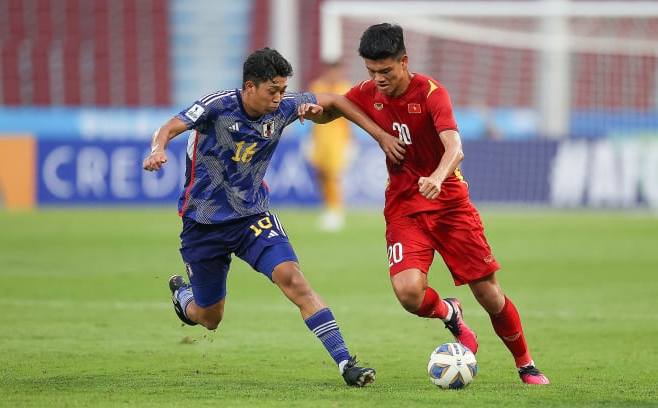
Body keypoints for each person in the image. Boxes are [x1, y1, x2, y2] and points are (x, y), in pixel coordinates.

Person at [316, 23, 550, 385]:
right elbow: (335, 105)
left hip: (450, 205)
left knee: (489, 294)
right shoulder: (368, 92)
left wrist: (438, 177)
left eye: (386, 71)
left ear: (404, 61)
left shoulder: (431, 93)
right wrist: (314, 113)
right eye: (371, 71)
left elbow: (455, 147)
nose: (377, 79)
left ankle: (526, 365)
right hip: (404, 209)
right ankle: (450, 313)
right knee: (409, 294)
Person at [141, 47, 390, 387]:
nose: (279, 98)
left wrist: (326, 116)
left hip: (252, 217)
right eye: (272, 91)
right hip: (204, 224)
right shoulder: (217, 106)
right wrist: (157, 149)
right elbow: (170, 126)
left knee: (295, 281)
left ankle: (346, 362)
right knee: (209, 318)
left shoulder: (285, 108)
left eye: (283, 90)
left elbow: (333, 101)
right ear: (250, 87)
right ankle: (182, 296)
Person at [307, 61, 353, 231]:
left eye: (336, 70)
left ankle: (336, 210)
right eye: (331, 70)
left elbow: (350, 117)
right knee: (321, 173)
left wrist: (350, 142)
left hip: (337, 139)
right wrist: (310, 140)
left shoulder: (345, 88)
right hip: (320, 136)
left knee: (333, 174)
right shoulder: (317, 86)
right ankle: (328, 206)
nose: (334, 74)